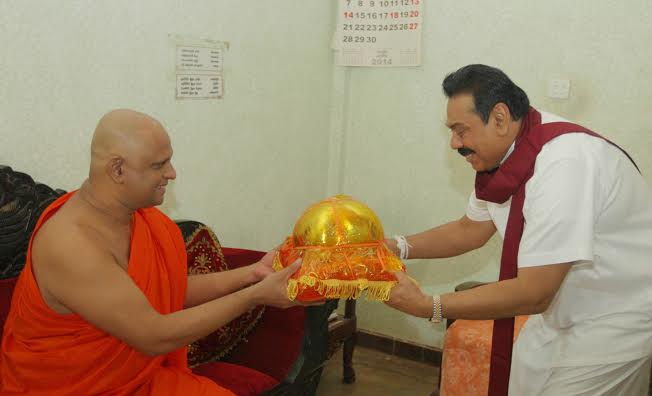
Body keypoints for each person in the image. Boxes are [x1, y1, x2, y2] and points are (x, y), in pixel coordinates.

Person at [384, 64, 652, 395]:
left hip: (613, 321)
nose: (454, 143)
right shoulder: (511, 154)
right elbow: (470, 230)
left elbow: (533, 292)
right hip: (558, 314)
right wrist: (391, 247)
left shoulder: (565, 163)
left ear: (499, 117)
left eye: (461, 130)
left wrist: (429, 306)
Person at [0, 109, 303, 395]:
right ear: (118, 169)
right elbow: (154, 335)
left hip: (132, 378)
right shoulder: (71, 245)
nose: (171, 173)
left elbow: (167, 292)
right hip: (68, 388)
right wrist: (255, 295)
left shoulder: (137, 217)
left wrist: (252, 273)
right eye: (158, 165)